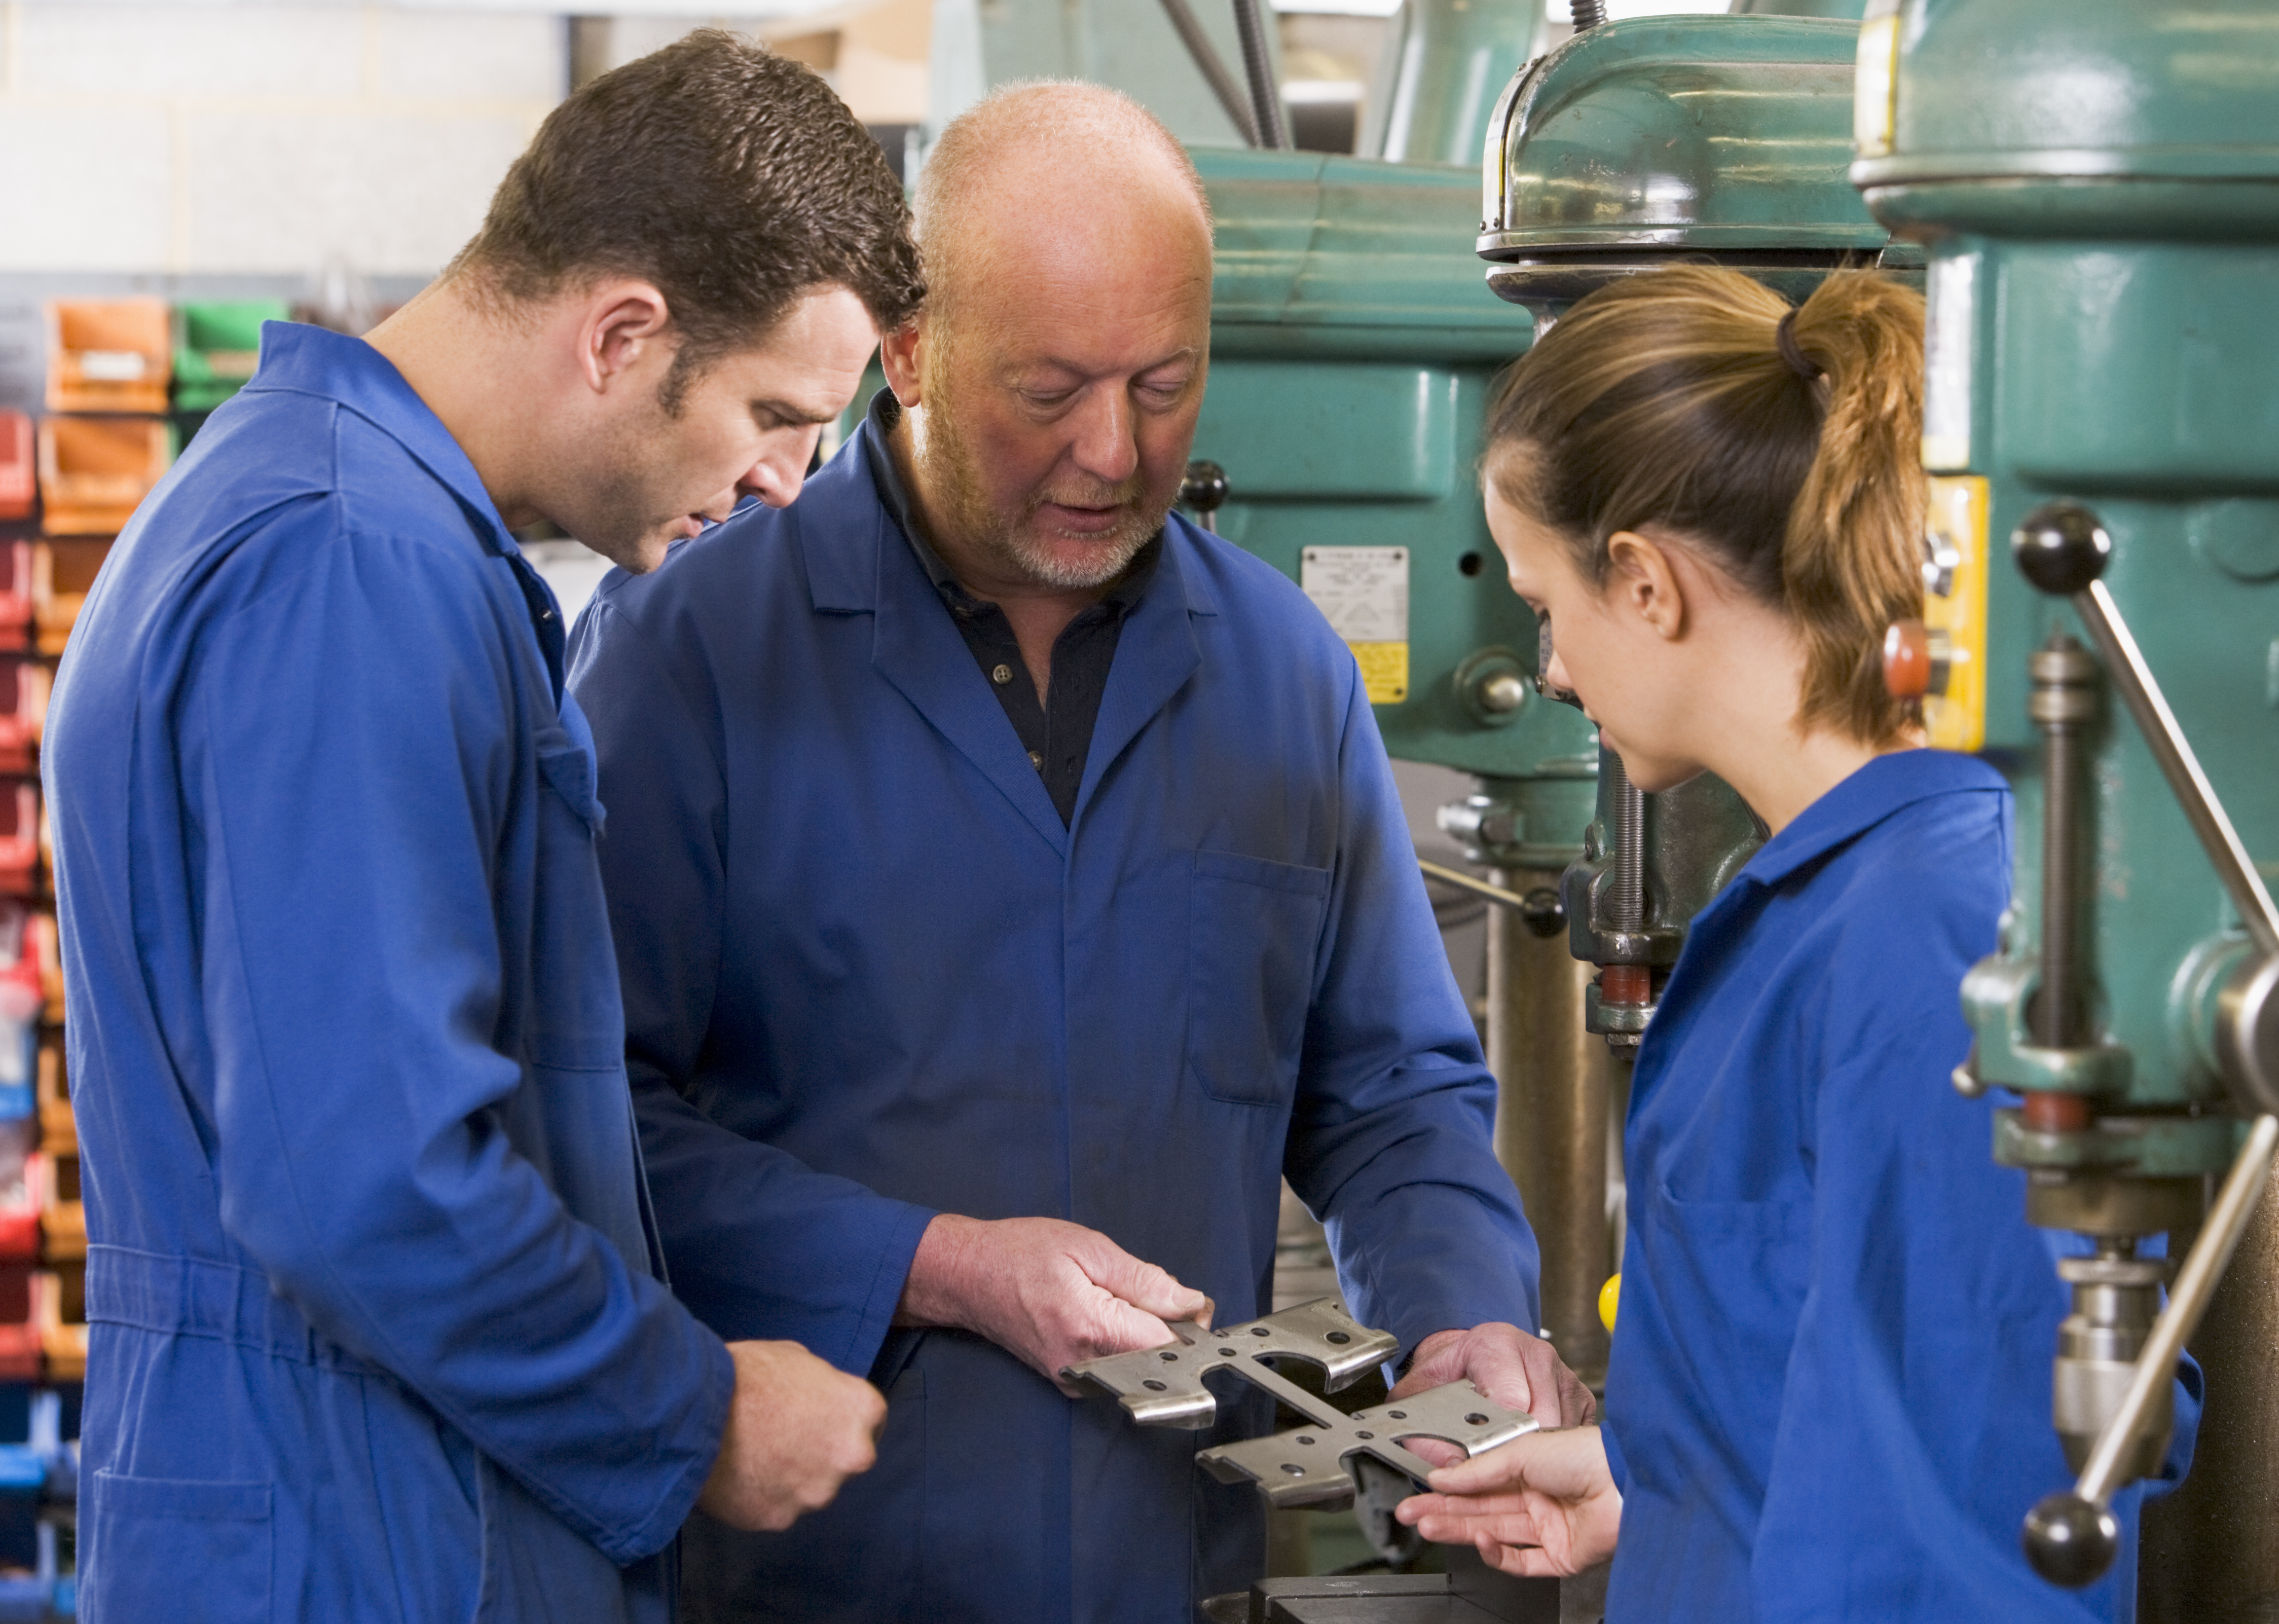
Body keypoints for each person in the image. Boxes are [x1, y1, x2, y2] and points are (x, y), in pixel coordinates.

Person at [565, 80, 1590, 1624]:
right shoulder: (690, 649)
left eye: (1164, 386)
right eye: (1048, 392)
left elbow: (1389, 1090)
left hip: (1167, 1569)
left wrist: (1462, 1318)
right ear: (904, 352)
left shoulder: (1281, 672)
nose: (1113, 451)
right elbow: (590, 1128)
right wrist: (931, 1261)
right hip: (807, 1571)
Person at [45, 31, 925, 1623]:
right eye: (777, 414)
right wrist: (699, 1410)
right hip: (356, 1543)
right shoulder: (347, 567)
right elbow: (364, 1180)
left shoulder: (348, 521)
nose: (792, 484)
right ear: (623, 333)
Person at [1393, 266, 2199, 1621]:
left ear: (1644, 581)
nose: (1551, 673)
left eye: (1547, 606)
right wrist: (1668, 1475)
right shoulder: (1821, 900)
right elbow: (1849, 1375)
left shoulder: (1929, 935)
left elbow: (1969, 1522)